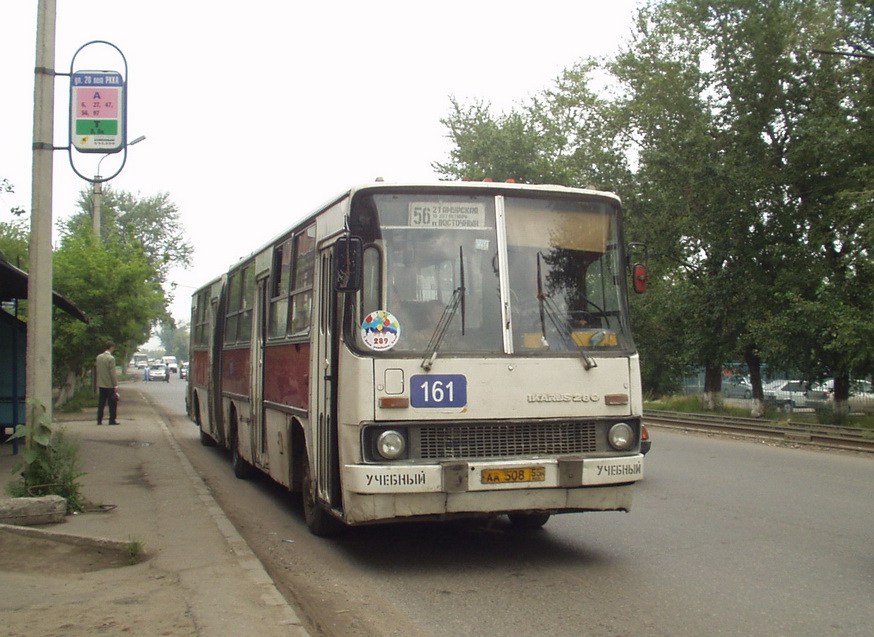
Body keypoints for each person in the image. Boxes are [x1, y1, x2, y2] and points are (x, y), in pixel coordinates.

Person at [96, 341, 120, 425]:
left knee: (101, 403)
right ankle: (112, 420)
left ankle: (99, 420)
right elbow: (112, 373)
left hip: (100, 383)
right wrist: (115, 385)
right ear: (111, 347)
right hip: (109, 384)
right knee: (112, 403)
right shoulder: (111, 358)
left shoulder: (99, 357)